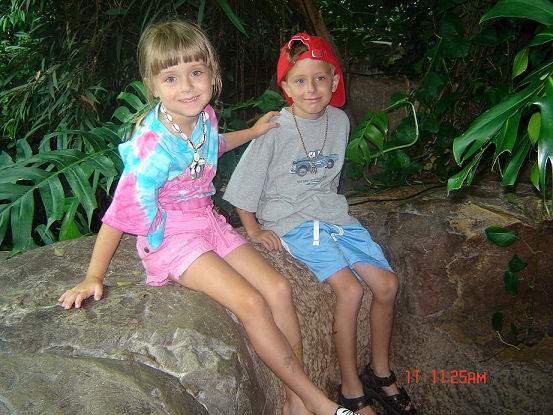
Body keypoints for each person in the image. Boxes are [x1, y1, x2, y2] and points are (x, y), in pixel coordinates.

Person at [58, 20, 362, 415]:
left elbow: (210, 147)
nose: (187, 87)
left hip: (208, 221)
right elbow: (119, 214)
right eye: (171, 78)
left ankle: (293, 401)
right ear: (152, 85)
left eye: (196, 73)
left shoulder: (203, 117)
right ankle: (314, 400)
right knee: (252, 303)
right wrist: (94, 275)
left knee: (278, 289)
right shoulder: (152, 147)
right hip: (172, 237)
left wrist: (252, 133)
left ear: (212, 75)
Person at [223, 32, 416, 415]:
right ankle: (350, 387)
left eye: (319, 78)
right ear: (285, 87)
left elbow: (327, 182)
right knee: (350, 289)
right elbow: (245, 184)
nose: (311, 89)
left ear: (334, 80)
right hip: (294, 221)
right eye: (299, 80)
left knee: (386, 284)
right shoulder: (275, 128)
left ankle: (380, 372)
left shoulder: (339, 121)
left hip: (334, 215)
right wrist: (255, 229)